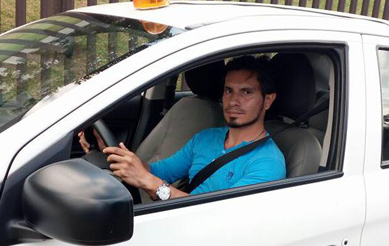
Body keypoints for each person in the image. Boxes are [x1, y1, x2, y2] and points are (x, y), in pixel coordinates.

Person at [101, 55, 287, 201]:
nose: (233, 101)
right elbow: (159, 171)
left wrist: (152, 184)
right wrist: (114, 153)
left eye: (246, 92)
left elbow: (218, 214)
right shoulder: (205, 138)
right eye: (229, 90)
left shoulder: (267, 162)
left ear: (268, 100)